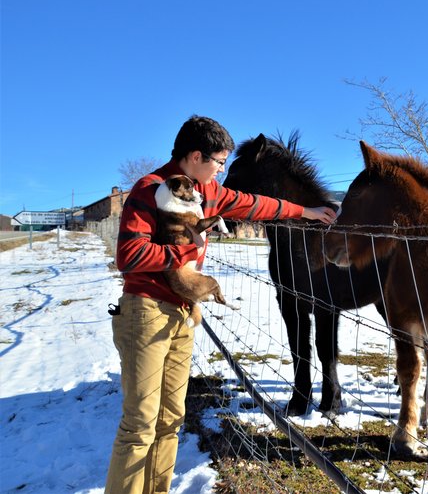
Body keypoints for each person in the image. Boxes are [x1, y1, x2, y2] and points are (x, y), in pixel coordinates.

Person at [105, 115, 337, 494]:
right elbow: (128, 256)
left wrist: (305, 212)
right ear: (196, 156)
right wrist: (185, 249)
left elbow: (256, 204)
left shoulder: (207, 191)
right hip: (145, 312)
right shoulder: (150, 189)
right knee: (140, 425)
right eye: (219, 162)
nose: (222, 170)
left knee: (169, 421)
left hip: (182, 314)